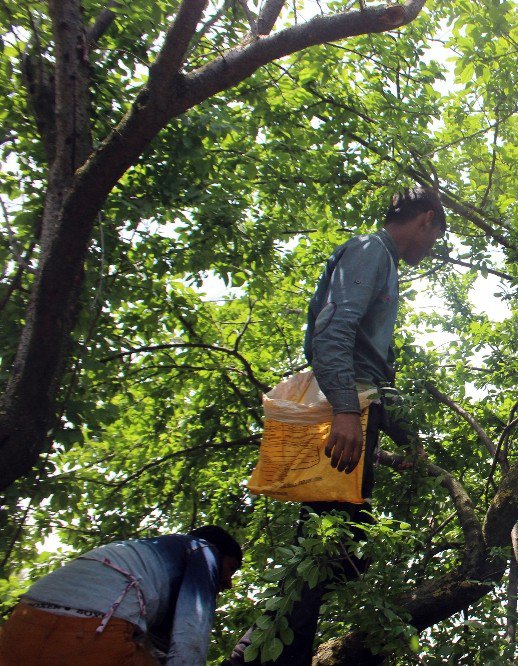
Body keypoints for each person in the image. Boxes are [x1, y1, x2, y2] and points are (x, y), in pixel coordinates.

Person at [227, 186, 446, 665]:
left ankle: (287, 652)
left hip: (360, 406)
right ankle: (255, 655)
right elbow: (333, 331)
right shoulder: (369, 250)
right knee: (324, 545)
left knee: (341, 543)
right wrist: (345, 411)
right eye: (435, 238)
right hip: (342, 414)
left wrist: (410, 440)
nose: (430, 250)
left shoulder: (384, 262)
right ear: (426, 220)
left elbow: (373, 366)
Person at [0, 525, 242, 665]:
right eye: (230, 568)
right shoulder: (203, 550)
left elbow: (160, 646)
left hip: (18, 630)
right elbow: (190, 637)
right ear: (218, 553)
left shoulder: (141, 556)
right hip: (89, 634)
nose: (228, 582)